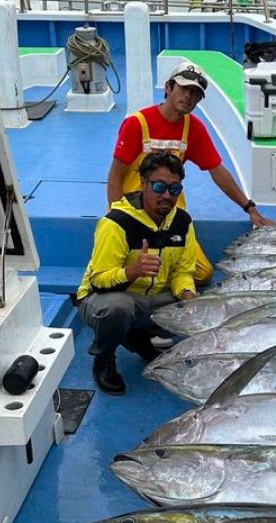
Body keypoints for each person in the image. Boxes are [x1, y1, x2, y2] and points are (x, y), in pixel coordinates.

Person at [106, 60, 274, 284]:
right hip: (132, 211)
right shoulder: (137, 124)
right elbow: (115, 178)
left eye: (195, 93)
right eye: (184, 88)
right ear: (168, 88)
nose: (188, 96)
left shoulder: (193, 128)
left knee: (203, 273)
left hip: (169, 213)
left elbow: (217, 171)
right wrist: (117, 222)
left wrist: (250, 208)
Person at [77, 152, 198, 395]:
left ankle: (134, 335)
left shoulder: (182, 222)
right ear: (143, 184)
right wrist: (131, 272)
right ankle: (104, 359)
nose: (166, 195)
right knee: (116, 308)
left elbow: (182, 271)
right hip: (101, 299)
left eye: (174, 189)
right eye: (159, 187)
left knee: (195, 305)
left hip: (151, 300)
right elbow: (99, 281)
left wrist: (187, 294)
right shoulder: (116, 224)